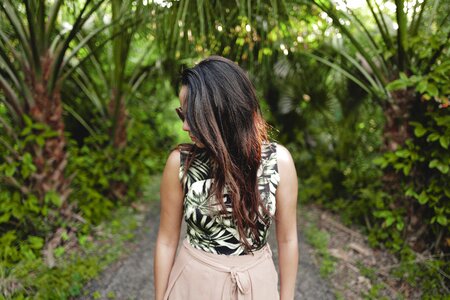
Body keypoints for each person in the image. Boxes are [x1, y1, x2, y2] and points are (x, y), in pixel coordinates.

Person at [154, 56, 298, 300]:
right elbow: (166, 241)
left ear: (222, 112)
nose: (185, 126)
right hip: (192, 286)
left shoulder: (278, 162)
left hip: (256, 286)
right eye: (182, 114)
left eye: (193, 115)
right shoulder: (180, 163)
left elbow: (288, 239)